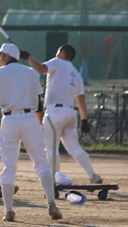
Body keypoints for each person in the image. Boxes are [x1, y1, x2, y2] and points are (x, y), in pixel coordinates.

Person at [0, 43, 62, 222]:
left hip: (10, 120)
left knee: (9, 165)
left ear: (7, 56)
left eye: (0, 56)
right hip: (30, 119)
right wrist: (39, 123)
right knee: (41, 164)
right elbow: (37, 102)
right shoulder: (31, 72)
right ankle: (51, 203)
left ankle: (9, 210)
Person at [21, 44, 103, 184]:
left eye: (58, 51)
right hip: (70, 112)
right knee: (75, 148)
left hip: (54, 112)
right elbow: (81, 100)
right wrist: (84, 120)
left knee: (51, 148)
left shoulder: (57, 62)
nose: (57, 54)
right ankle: (93, 175)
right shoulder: (76, 74)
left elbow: (41, 68)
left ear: (63, 53)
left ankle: (53, 180)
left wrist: (28, 57)